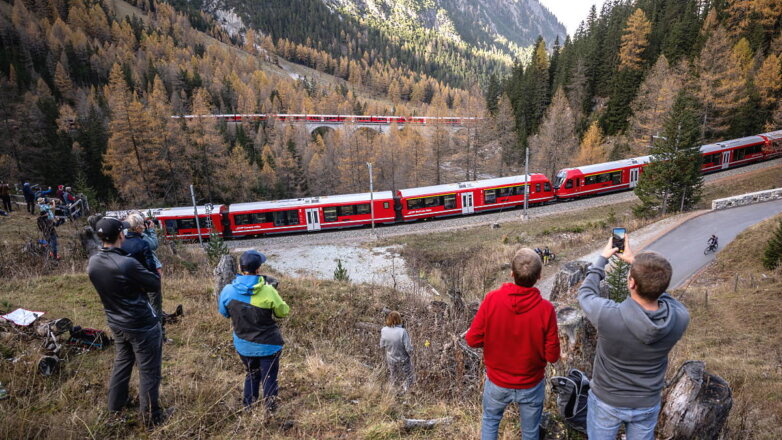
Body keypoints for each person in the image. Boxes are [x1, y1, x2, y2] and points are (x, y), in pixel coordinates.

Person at [578, 235, 689, 440]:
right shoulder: (679, 318)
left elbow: (585, 294)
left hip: (606, 401)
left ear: (631, 283)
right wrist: (635, 263)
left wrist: (602, 258)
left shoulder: (608, 316)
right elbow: (661, 293)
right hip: (646, 403)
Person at [466, 248, 561, 440]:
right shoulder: (546, 309)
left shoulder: (492, 299)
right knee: (530, 432)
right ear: (539, 277)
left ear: (511, 273)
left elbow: (472, 339)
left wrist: (495, 341)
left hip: (497, 382)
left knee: (490, 421)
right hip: (531, 384)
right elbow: (552, 356)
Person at [87, 217, 166, 426]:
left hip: (116, 320)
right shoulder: (126, 263)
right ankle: (151, 418)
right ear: (121, 235)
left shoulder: (93, 261)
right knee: (149, 370)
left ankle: (115, 405)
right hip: (141, 324)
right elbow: (154, 284)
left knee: (122, 362)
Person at [218, 250, 289, 411]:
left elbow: (224, 313)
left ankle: (249, 407)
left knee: (251, 373)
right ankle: (270, 410)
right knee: (269, 376)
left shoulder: (228, 290)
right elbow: (282, 312)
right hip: (269, 345)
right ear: (258, 269)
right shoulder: (269, 290)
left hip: (243, 345)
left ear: (240, 268)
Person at [138, 213, 167, 341]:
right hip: (150, 275)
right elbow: (153, 245)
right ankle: (159, 335)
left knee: (145, 304)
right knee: (155, 305)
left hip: (137, 276)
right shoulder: (140, 236)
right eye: (143, 222)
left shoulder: (126, 236)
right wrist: (150, 230)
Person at [379, 311, 414, 392]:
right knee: (408, 377)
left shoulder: (383, 330)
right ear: (399, 319)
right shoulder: (402, 331)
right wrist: (413, 351)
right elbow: (409, 348)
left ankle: (393, 391)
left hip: (390, 359)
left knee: (393, 376)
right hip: (403, 359)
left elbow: (382, 345)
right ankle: (406, 392)